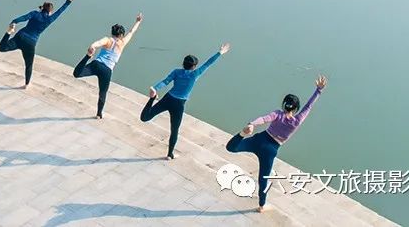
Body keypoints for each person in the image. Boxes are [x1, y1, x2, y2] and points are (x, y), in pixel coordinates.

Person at [225, 75, 328, 212]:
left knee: (231, 148)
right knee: (263, 179)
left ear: (284, 104)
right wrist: (318, 90)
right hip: (271, 149)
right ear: (296, 108)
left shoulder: (277, 114)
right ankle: (262, 206)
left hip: (259, 139)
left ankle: (241, 134)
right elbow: (308, 107)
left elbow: (264, 119)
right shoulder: (297, 121)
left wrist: (252, 124)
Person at [141, 42, 230, 159]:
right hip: (179, 105)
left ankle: (152, 99)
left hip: (168, 99)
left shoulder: (176, 72)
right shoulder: (195, 74)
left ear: (183, 64)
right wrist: (220, 53)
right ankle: (169, 154)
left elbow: (166, 81)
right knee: (174, 130)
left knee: (145, 118)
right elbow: (208, 64)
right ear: (194, 67)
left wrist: (155, 88)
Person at [72, 13, 143, 118]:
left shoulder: (108, 40)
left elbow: (97, 43)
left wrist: (92, 47)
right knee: (103, 92)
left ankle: (87, 57)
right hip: (107, 70)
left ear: (112, 33)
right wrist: (137, 22)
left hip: (97, 64)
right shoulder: (123, 42)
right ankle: (99, 114)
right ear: (121, 35)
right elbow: (132, 32)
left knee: (77, 74)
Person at [0, 0, 74, 88]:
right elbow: (59, 12)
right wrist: (68, 2)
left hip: (20, 37)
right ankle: (27, 84)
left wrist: (14, 21)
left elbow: (24, 17)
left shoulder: (35, 13)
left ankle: (8, 32)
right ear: (50, 11)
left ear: (43, 8)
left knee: (2, 48)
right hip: (30, 44)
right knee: (29, 65)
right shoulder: (49, 19)